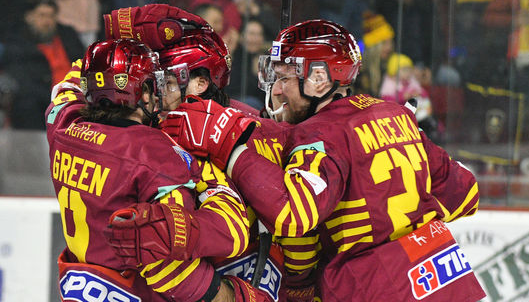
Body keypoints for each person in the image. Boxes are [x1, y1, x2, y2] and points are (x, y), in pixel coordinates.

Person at [163, 19, 487, 301]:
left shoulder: (321, 133)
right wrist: (406, 221)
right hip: (444, 281)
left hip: (372, 289)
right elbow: (466, 192)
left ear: (318, 79)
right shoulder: (396, 114)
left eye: (285, 78)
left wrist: (231, 148)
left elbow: (293, 214)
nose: (276, 91)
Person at [46, 38, 255, 302]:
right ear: (142, 93)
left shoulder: (63, 124)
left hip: (79, 291)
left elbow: (66, 87)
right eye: (152, 85)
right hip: (133, 292)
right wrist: (215, 185)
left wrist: (111, 54)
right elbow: (174, 248)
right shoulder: (155, 152)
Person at [2, 0, 84, 129]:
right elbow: (21, 79)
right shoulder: (17, 42)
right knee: (26, 104)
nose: (47, 21)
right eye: (42, 15)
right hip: (42, 98)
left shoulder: (68, 36)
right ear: (29, 17)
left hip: (76, 93)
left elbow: (85, 62)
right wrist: (56, 99)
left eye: (51, 16)